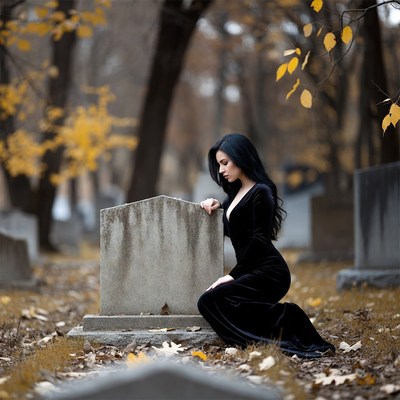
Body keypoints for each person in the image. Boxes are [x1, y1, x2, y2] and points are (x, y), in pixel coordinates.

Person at [198, 133, 335, 358]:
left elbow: (259, 239)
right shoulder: (233, 197)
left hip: (269, 271)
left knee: (209, 300)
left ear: (240, 157)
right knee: (211, 302)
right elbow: (232, 231)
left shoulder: (262, 192)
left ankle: (290, 317)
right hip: (251, 269)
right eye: (219, 165)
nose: (221, 170)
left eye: (225, 163)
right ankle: (261, 339)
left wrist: (232, 276)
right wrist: (212, 206)